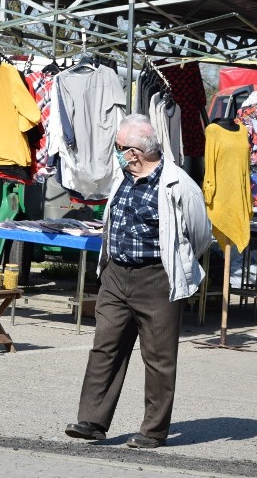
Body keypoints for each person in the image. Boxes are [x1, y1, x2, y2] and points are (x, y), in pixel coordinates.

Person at [65, 114, 211, 448]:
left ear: (135, 152)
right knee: (105, 347)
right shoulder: (123, 178)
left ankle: (153, 431)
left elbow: (200, 236)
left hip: (156, 278)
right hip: (116, 275)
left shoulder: (179, 185)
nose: (116, 153)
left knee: (158, 358)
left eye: (119, 148)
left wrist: (175, 264)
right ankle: (92, 421)